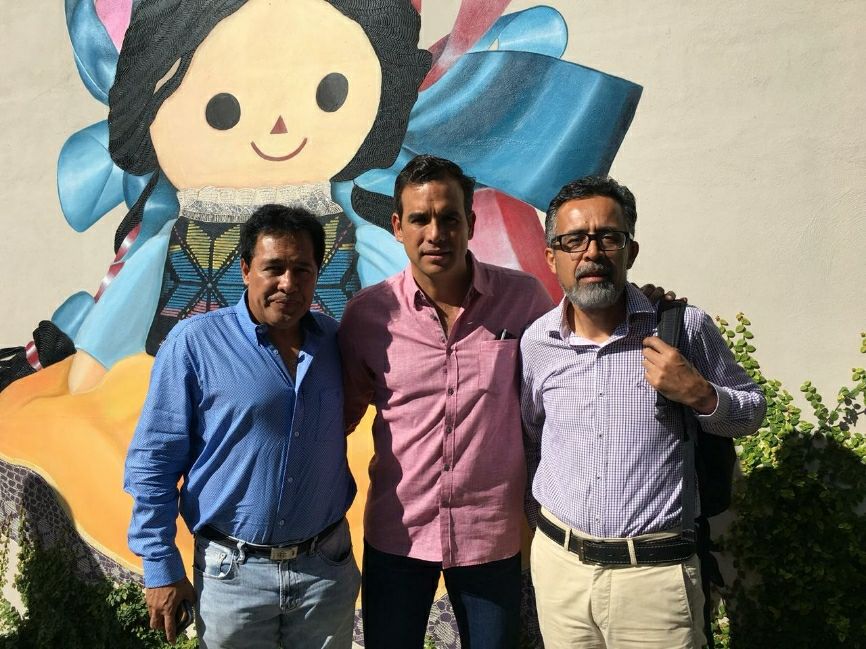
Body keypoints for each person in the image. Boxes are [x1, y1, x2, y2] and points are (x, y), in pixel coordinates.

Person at [520, 176, 767, 649]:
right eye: (574, 240)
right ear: (552, 257)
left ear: (630, 252)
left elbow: (752, 412)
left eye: (608, 238)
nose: (592, 253)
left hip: (654, 579)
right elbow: (533, 438)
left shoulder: (683, 328)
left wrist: (702, 396)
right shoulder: (537, 342)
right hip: (560, 571)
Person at [338, 155, 556, 648]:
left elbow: (573, 364)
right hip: (398, 533)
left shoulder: (524, 301)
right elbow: (338, 417)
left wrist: (643, 306)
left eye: (449, 218)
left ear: (470, 223)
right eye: (420, 218)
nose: (435, 233)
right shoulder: (368, 316)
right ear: (398, 226)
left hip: (490, 533)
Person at [124, 205, 358, 648]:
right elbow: (153, 463)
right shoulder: (195, 344)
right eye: (274, 268)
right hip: (232, 577)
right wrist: (159, 565)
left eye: (302, 270)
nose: (288, 283)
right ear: (246, 269)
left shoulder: (337, 343)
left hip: (325, 572)